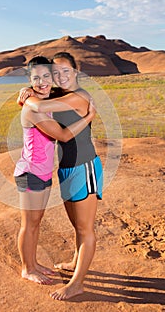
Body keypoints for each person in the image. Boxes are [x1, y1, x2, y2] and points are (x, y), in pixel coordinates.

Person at [21, 52, 103, 300]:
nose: (60, 76)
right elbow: (42, 95)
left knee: (85, 228)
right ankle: (76, 260)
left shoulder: (80, 97)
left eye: (65, 71)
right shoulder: (60, 94)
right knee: (75, 224)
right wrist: (28, 89)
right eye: (56, 73)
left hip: (84, 166)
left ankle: (77, 283)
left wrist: (27, 98)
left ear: (77, 71)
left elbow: (39, 105)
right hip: (66, 168)